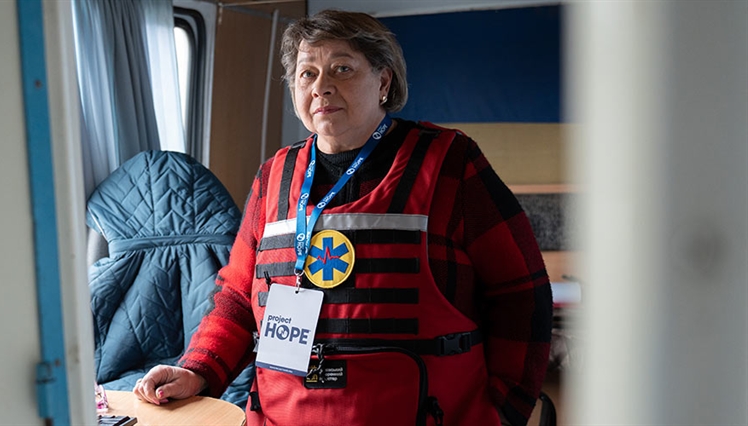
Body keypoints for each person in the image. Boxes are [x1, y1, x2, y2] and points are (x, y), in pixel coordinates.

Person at [133, 9, 552, 426]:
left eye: (342, 69)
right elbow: (239, 301)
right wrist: (197, 369)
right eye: (307, 73)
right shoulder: (273, 176)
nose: (321, 87)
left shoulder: (451, 164)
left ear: (383, 81)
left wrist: (504, 410)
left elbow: (521, 295)